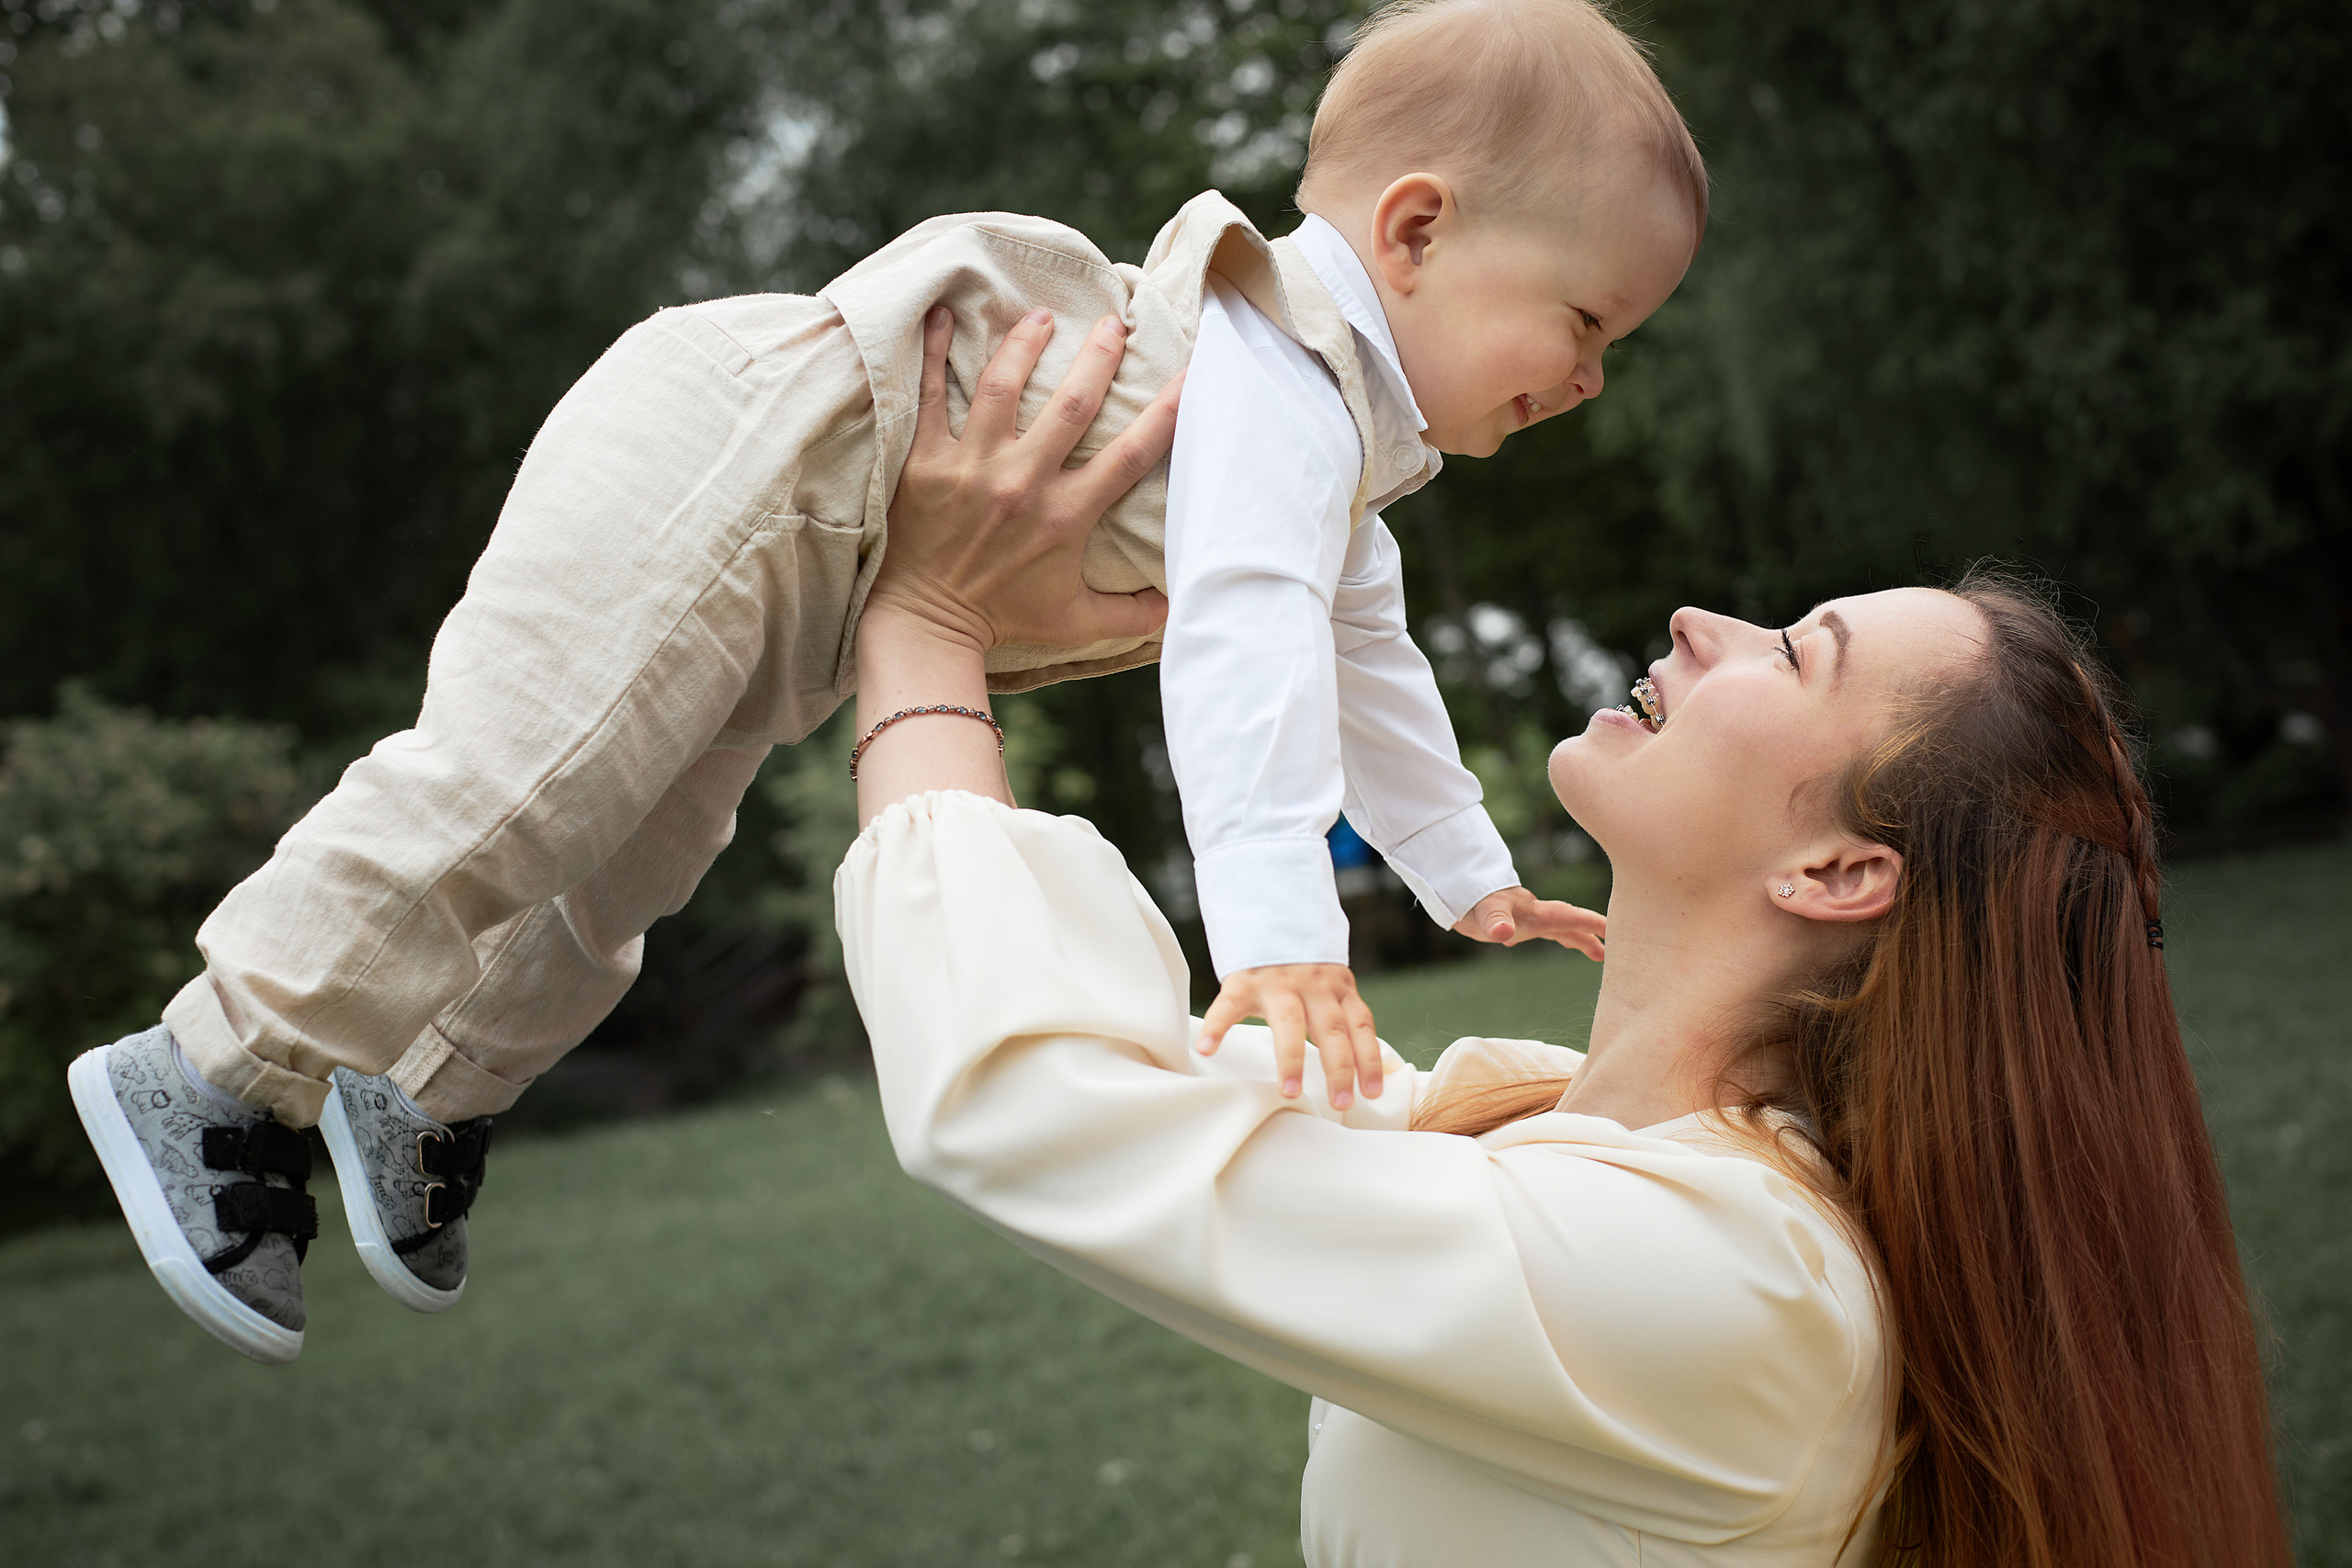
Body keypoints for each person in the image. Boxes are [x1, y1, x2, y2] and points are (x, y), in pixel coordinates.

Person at [69, 0, 1684, 1362]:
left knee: (628, 858)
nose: (1596, 377)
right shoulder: (1277, 368)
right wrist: (1278, 935)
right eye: (1586, 318)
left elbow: (1368, 666)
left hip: (825, 577)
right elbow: (1246, 637)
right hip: (747, 444)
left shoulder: (1342, 456)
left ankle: (428, 1097)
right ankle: (216, 1066)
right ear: (1416, 230)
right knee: (516, 779)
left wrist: (1470, 879)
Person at [834, 322, 2295, 1563]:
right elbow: (1161, 1084)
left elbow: (1039, 1107)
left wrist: (924, 620)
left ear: (1842, 868)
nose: (1703, 622)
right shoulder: (1543, 1117)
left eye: (1794, 652)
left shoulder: (1740, 1287)